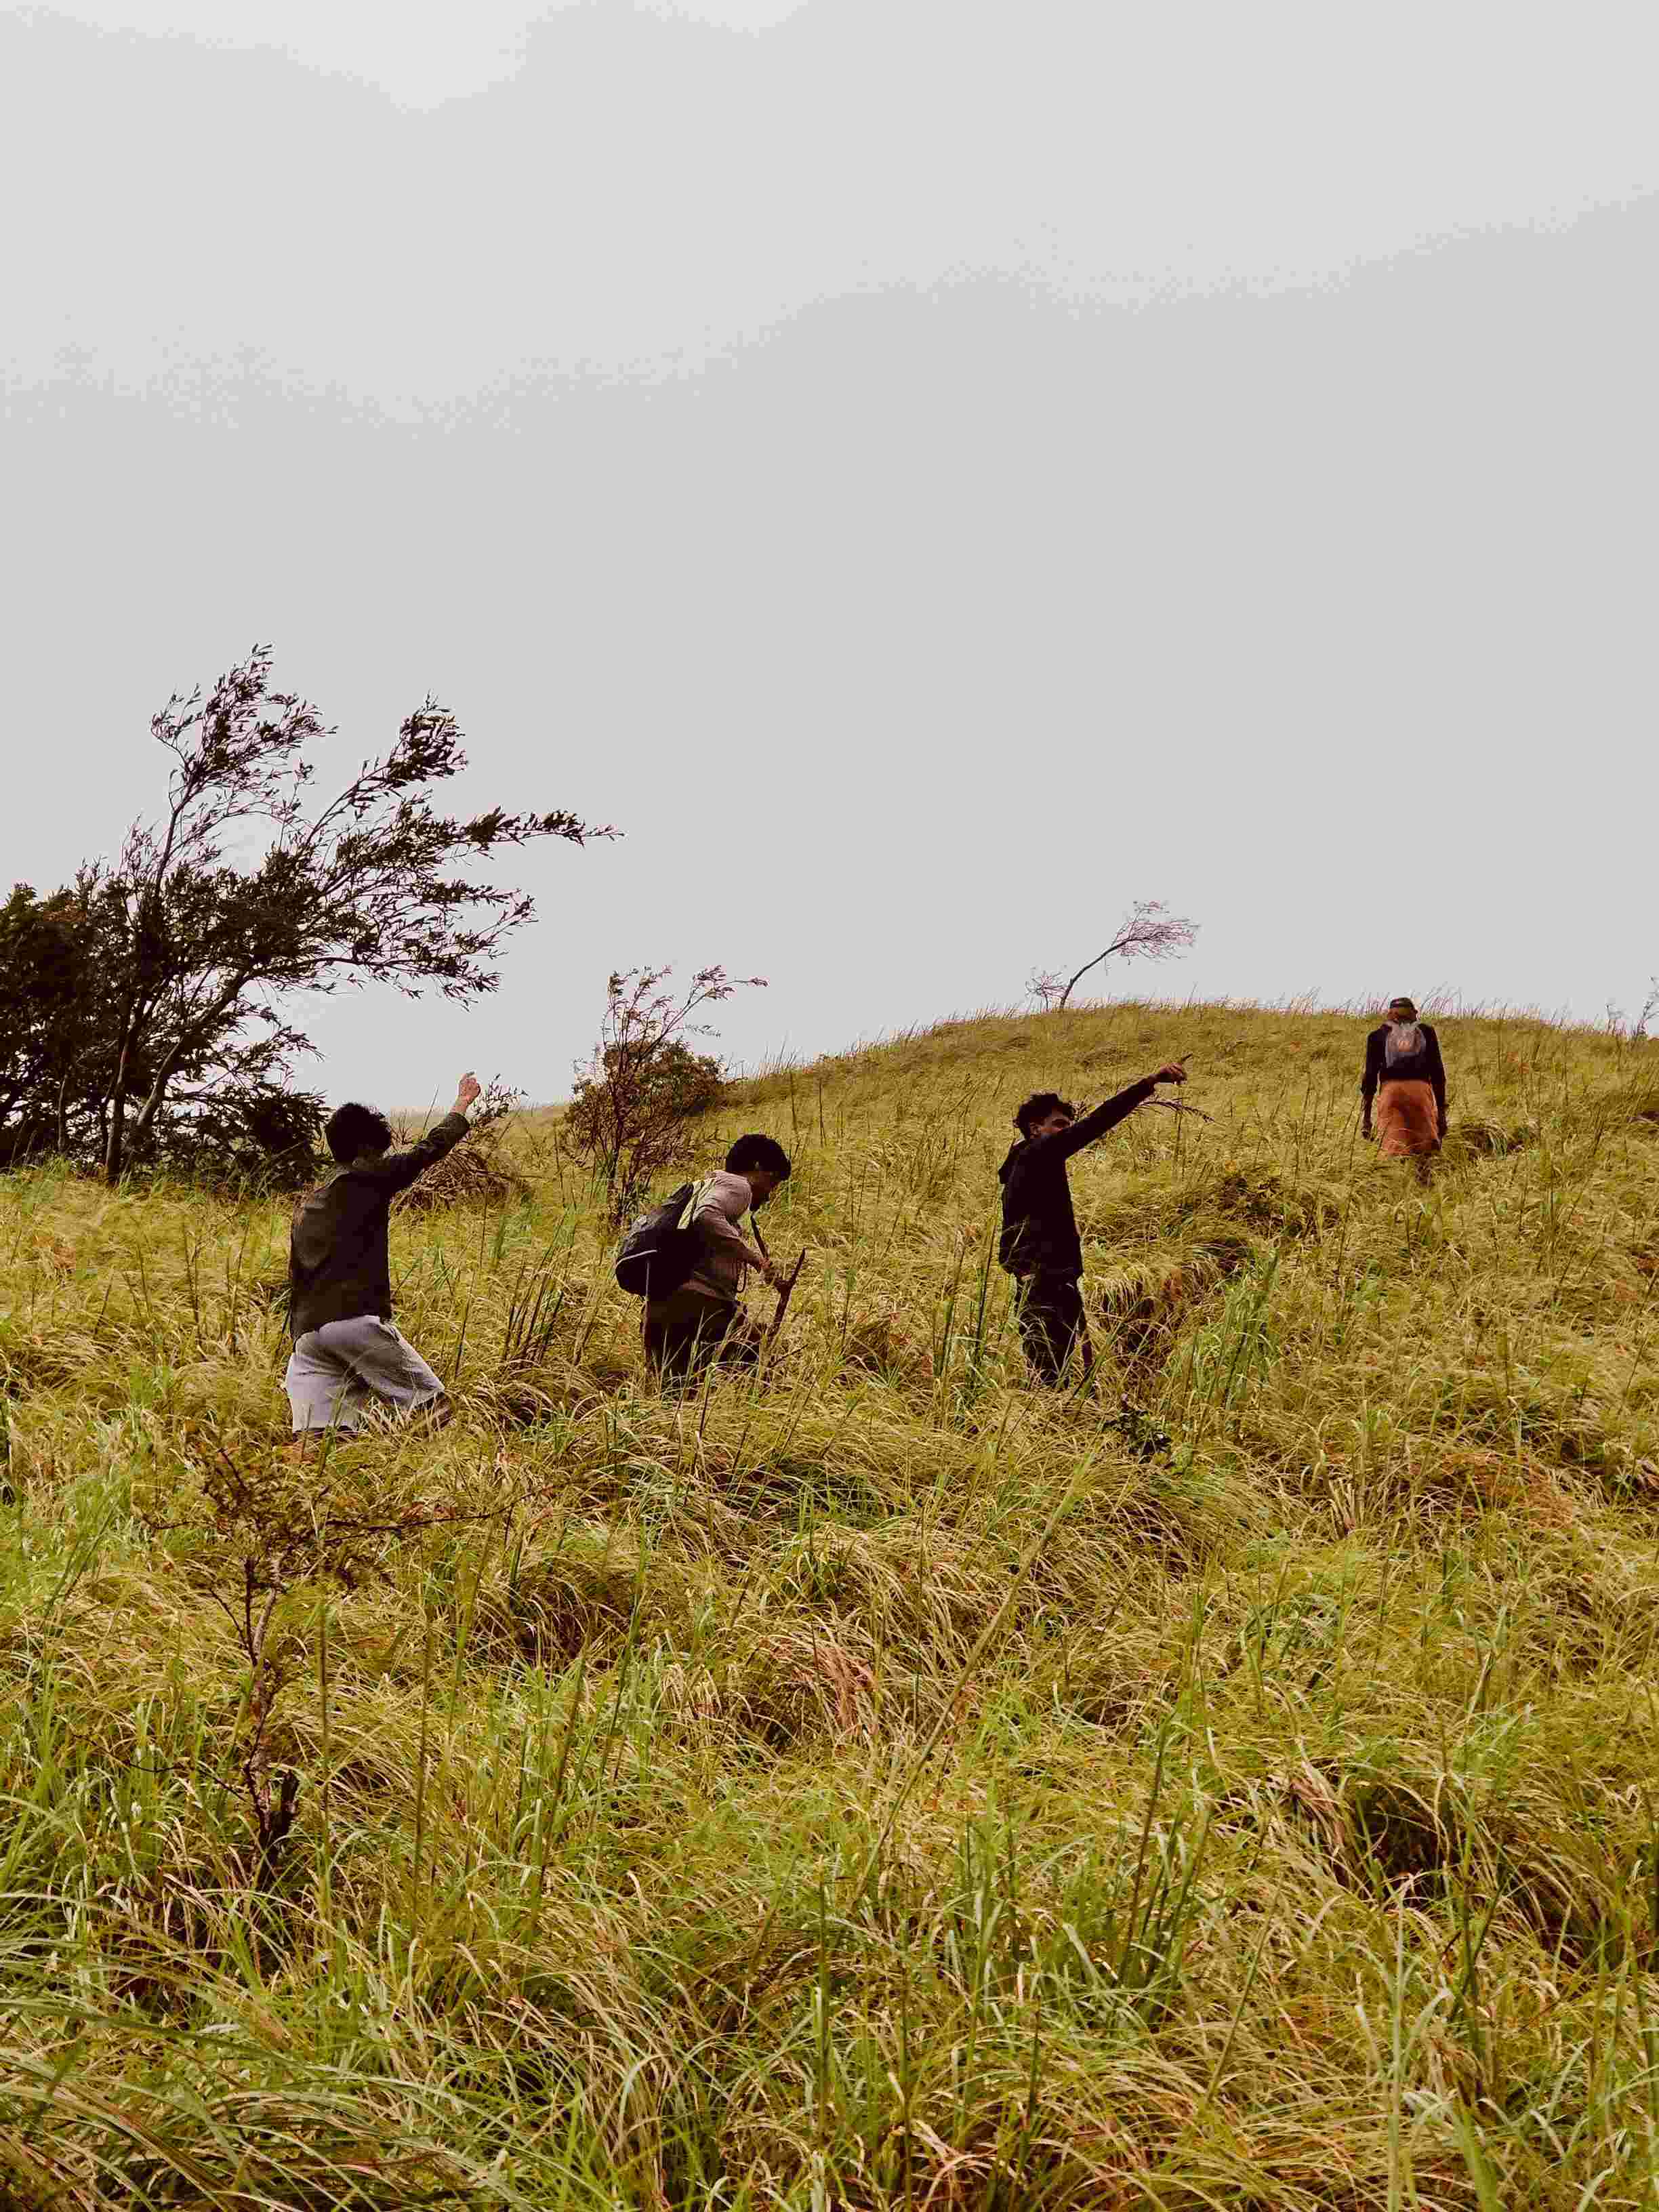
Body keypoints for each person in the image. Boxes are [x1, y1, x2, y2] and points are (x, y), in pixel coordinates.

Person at [283, 1073, 481, 1453]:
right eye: (377, 1153)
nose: (380, 1160)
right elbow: (429, 1149)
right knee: (434, 1409)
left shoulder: (308, 1203)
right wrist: (462, 1103)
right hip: (353, 1323)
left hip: (307, 1338)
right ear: (363, 1151)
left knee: (319, 1447)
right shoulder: (366, 1179)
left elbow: (295, 1277)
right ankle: (418, 1472)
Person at [998, 1065, 1187, 1384]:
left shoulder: (1022, 1162)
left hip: (1042, 1278)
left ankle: (1054, 1410)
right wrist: (1150, 1082)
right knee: (1050, 1368)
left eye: (1067, 1125)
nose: (1066, 1131)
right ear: (1035, 1129)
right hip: (1046, 1280)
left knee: (1048, 1367)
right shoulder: (1038, 1153)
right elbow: (1098, 1121)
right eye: (1059, 1124)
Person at [643, 1133, 792, 1386]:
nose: (769, 1195)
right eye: (772, 1182)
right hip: (698, 1307)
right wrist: (756, 1260)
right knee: (762, 1361)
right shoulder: (740, 1187)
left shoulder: (705, 1187)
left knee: (672, 1397)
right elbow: (706, 1216)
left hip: (658, 1309)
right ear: (757, 1168)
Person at [1360, 998, 1447, 1179]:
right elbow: (1438, 1074)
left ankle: (1396, 1185)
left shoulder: (1377, 1036)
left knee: (1393, 1148)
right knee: (1425, 1150)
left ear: (1390, 1014)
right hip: (1420, 1092)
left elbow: (1370, 1079)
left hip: (1391, 1093)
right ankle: (1425, 1185)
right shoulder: (1427, 1032)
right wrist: (1441, 1115)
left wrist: (1366, 1119)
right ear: (1414, 1013)